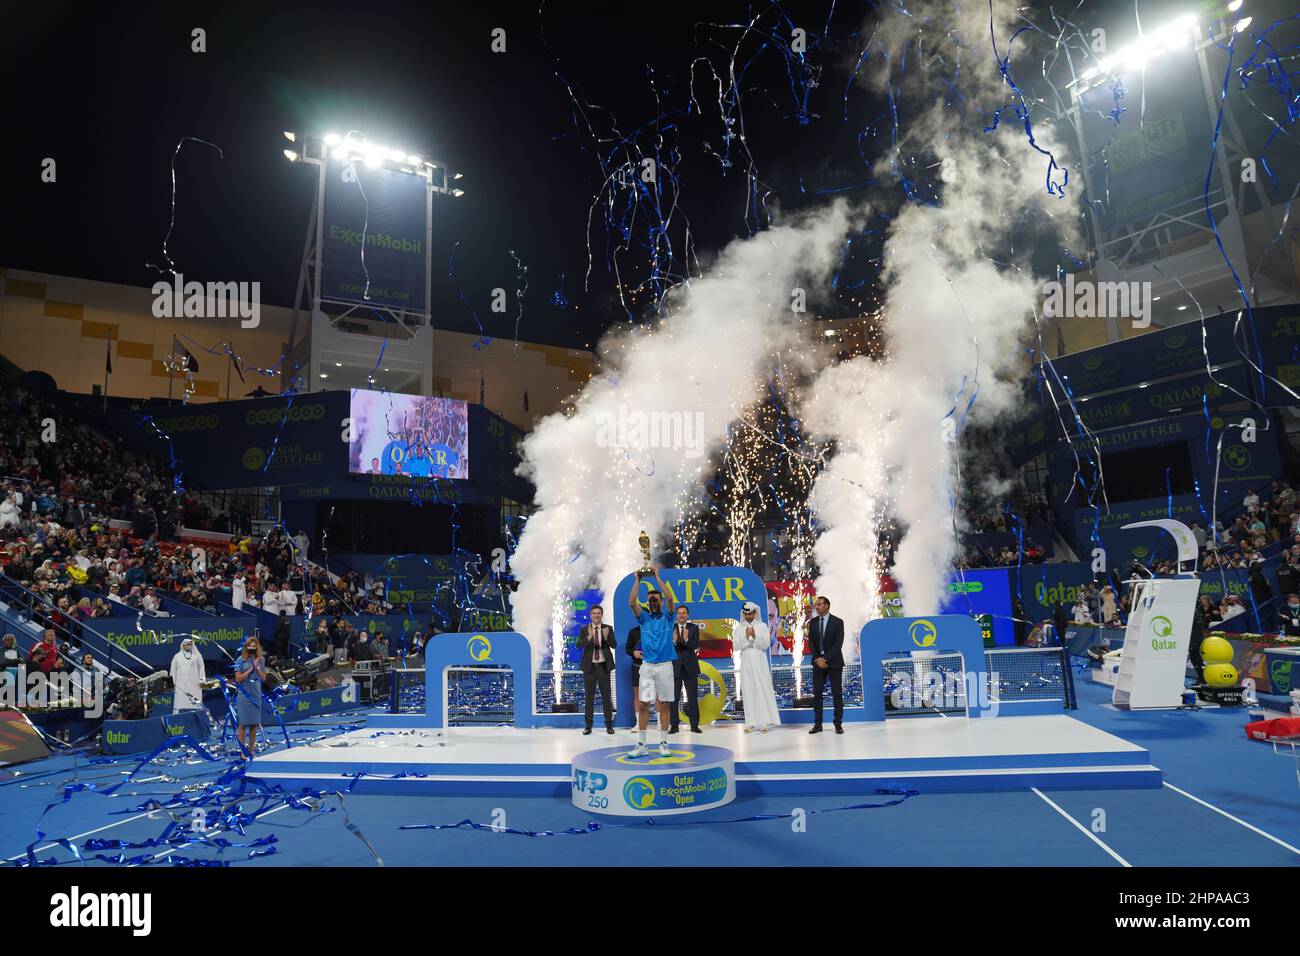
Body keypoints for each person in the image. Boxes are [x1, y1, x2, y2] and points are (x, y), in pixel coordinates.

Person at [625, 567, 676, 758]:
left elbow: (671, 599)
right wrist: (637, 579)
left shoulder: (668, 617)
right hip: (647, 667)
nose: (653, 601)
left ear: (660, 601)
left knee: (664, 704)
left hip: (664, 667)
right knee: (644, 704)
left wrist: (656, 577)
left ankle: (663, 742)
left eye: (656, 599)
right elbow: (631, 602)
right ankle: (642, 744)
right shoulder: (644, 618)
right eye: (651, 599)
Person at [734, 601, 779, 732]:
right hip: (746, 662)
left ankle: (764, 723)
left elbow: (765, 645)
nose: (748, 616)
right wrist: (746, 638)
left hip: (760, 662)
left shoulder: (763, 626)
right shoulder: (738, 629)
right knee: (748, 691)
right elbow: (736, 647)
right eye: (746, 614)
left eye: (750, 613)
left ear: (755, 613)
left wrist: (754, 637)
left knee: (762, 689)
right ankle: (750, 723)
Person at [805, 595, 845, 734]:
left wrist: (825, 659)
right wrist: (818, 659)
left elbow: (838, 645)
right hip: (817, 663)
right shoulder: (813, 622)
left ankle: (838, 724)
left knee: (837, 694)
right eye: (816, 605)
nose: (816, 607)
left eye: (819, 604)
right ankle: (818, 724)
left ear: (826, 606)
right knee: (817, 694)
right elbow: (811, 643)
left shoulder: (838, 622)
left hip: (834, 662)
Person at [576, 604, 616, 735]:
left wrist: (605, 637)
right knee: (589, 698)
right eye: (594, 613)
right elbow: (578, 645)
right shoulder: (584, 629)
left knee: (606, 697)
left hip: (604, 667)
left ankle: (609, 725)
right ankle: (588, 726)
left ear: (602, 615)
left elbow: (614, 645)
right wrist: (589, 637)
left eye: (599, 613)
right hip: (590, 668)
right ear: (590, 615)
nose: (596, 615)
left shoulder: (608, 628)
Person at [230, 637, 267, 758]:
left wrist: (256, 667)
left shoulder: (261, 660)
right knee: (243, 724)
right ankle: (243, 751)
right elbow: (238, 679)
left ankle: (251, 750)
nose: (252, 648)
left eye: (254, 646)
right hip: (244, 695)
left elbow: (263, 678)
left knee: (254, 724)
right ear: (246, 647)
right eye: (249, 646)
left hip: (256, 694)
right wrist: (250, 669)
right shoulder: (240, 660)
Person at [670, 604, 701, 734]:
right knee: (674, 699)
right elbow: (667, 647)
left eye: (684, 613)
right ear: (676, 615)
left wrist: (687, 639)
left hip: (690, 667)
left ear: (687, 615)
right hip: (675, 667)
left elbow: (696, 644)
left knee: (693, 697)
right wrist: (673, 641)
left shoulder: (693, 628)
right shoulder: (671, 628)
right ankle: (674, 726)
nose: (681, 615)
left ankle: (694, 725)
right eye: (679, 613)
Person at [169, 637, 207, 713]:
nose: (189, 646)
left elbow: (202, 668)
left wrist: (202, 681)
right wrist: (171, 684)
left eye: (190, 644)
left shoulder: (197, 656)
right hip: (180, 685)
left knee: (195, 703)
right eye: (187, 644)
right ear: (183, 646)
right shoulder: (177, 656)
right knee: (180, 702)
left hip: (194, 685)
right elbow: (173, 671)